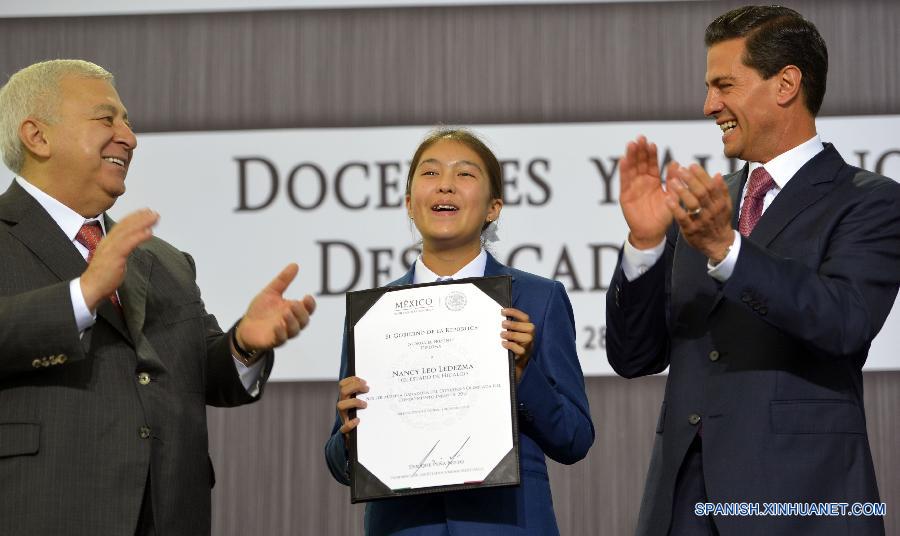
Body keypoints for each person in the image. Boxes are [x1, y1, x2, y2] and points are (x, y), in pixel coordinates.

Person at [606, 5, 900, 536]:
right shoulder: (710, 206)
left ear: (786, 84)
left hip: (800, 503)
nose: (708, 105)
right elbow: (634, 357)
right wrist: (646, 245)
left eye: (724, 86)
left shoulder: (870, 202)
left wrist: (727, 249)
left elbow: (844, 322)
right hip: (684, 508)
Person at [0, 59, 317, 536]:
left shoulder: (163, 260)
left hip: (169, 513)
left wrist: (242, 345)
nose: (129, 137)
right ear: (37, 136)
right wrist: (83, 295)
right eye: (106, 119)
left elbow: (199, 376)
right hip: (45, 507)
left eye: (128, 122)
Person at [324, 129, 594, 534]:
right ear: (409, 203)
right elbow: (340, 465)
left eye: (465, 174)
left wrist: (523, 376)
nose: (445, 184)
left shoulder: (539, 298)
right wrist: (348, 436)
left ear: (493, 208)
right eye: (430, 173)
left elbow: (574, 439)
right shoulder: (374, 315)